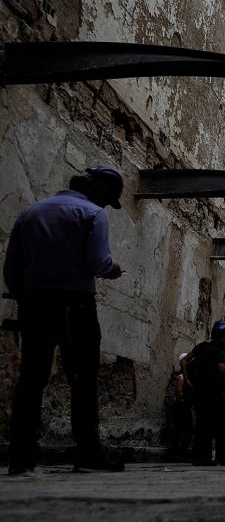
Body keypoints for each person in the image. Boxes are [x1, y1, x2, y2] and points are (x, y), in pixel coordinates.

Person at [4, 165, 126, 475]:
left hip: (34, 303)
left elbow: (12, 267)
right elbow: (97, 261)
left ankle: (21, 456)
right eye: (106, 199)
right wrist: (110, 269)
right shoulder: (93, 215)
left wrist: (24, 296)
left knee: (32, 377)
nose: (104, 205)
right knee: (83, 380)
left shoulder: (32, 212)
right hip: (76, 305)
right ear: (97, 191)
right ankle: (87, 454)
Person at [182, 320, 225, 466]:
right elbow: (222, 369)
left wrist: (187, 380)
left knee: (203, 426)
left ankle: (201, 458)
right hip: (215, 394)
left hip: (200, 393)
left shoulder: (201, 347)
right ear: (221, 337)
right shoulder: (218, 351)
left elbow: (184, 360)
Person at [167, 353, 194, 462]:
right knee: (181, 430)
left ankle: (181, 453)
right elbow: (179, 393)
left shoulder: (188, 377)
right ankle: (177, 454)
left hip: (185, 406)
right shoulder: (181, 377)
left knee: (186, 430)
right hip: (181, 405)